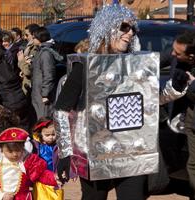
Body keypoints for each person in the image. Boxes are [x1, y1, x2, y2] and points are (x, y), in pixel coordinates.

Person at [55, 4, 148, 200]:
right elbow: (62, 110)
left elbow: (151, 102)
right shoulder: (85, 65)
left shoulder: (134, 66)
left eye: (133, 29)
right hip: (94, 150)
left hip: (129, 149)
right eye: (124, 27)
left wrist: (176, 86)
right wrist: (65, 152)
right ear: (107, 28)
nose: (130, 33)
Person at [165, 30, 195, 200]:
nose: (173, 54)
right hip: (193, 120)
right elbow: (158, 59)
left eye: (177, 53)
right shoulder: (177, 57)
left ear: (192, 57)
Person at [0, 127, 59, 200]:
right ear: (1, 148)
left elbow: (41, 174)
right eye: (10, 151)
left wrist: (55, 178)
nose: (15, 154)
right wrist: (1, 196)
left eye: (18, 150)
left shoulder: (29, 160)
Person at [31, 27, 63, 119]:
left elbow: (49, 75)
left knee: (44, 119)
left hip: (42, 94)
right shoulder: (40, 50)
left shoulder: (45, 53)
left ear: (40, 38)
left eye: (34, 38)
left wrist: (45, 94)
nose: (32, 39)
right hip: (38, 92)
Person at [31, 117, 64, 200]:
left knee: (57, 197)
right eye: (47, 135)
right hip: (40, 179)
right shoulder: (35, 145)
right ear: (40, 133)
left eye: (53, 134)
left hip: (55, 177)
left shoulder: (59, 145)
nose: (51, 137)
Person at [18, 24, 40, 95]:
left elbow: (28, 71)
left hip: (32, 88)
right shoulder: (30, 47)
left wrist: (21, 61)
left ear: (33, 35)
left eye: (27, 35)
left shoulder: (37, 49)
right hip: (28, 86)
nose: (24, 37)